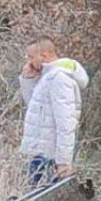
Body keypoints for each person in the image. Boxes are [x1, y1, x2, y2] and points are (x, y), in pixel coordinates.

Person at [18, 38, 89, 187]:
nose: (28, 62)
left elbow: (66, 123)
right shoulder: (47, 77)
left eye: (31, 57)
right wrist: (28, 80)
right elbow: (34, 108)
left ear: (43, 56)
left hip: (51, 156)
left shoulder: (59, 79)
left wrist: (63, 162)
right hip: (42, 152)